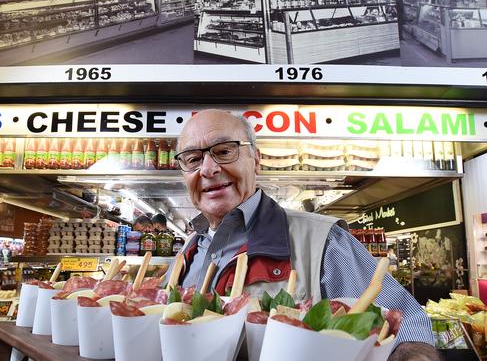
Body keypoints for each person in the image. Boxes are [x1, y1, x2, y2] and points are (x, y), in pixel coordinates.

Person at [170, 109, 441, 361]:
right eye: (193, 159)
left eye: (224, 151)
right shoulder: (188, 254)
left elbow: (406, 329)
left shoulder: (324, 241)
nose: (208, 169)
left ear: (256, 159)